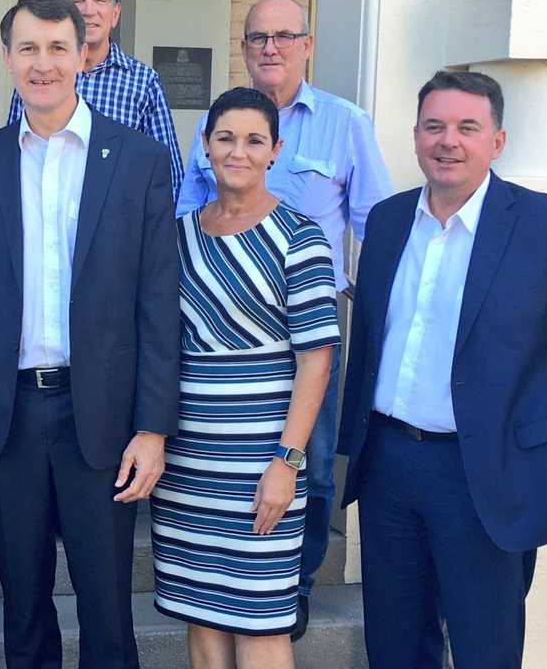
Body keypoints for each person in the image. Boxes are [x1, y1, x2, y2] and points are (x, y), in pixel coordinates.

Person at [0, 0, 179, 669]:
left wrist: (153, 429)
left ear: (83, 55)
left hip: (100, 418)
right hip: (6, 417)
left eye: (57, 48)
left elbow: (158, 305)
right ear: (8, 58)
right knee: (22, 603)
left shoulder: (138, 161)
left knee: (107, 609)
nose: (43, 64)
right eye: (28, 49)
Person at [338, 70, 547, 669]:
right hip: (389, 467)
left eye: (467, 127)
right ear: (414, 136)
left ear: (498, 140)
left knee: (485, 647)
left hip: (486, 472)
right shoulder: (386, 222)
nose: (448, 141)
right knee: (395, 645)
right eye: (434, 126)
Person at [174, 0, 394, 639]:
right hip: (220, 339)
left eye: (283, 36)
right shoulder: (218, 126)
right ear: (244, 47)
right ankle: (223, 578)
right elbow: (188, 214)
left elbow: (377, 226)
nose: (270, 47)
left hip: (307, 339)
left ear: (307, 44)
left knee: (314, 464)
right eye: (257, 38)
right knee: (217, 468)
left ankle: (290, 588)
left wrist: (345, 289)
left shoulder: (344, 122)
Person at [152, 87, 338, 668]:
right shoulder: (176, 235)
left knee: (260, 621)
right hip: (187, 463)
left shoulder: (301, 237)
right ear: (205, 145)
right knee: (202, 616)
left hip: (263, 461)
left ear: (275, 150)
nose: (238, 152)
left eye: (254, 140)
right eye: (225, 138)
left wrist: (288, 462)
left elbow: (317, 358)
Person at [6, 0, 184, 200]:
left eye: (100, 0)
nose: (88, 11)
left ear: (115, 13)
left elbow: (168, 178)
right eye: (76, 1)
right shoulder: (39, 80)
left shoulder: (143, 82)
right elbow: (11, 155)